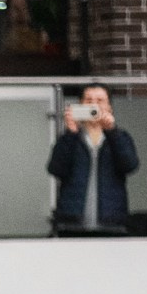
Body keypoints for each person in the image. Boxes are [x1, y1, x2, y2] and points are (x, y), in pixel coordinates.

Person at [46, 83, 137, 235]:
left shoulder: (120, 137)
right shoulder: (69, 138)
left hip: (112, 224)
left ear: (110, 107)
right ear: (80, 105)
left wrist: (112, 132)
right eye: (88, 100)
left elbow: (130, 165)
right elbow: (56, 169)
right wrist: (71, 133)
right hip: (71, 224)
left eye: (100, 101)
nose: (94, 105)